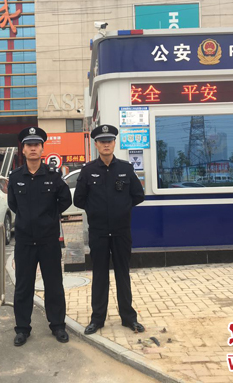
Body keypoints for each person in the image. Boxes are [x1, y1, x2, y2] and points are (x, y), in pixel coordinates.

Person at [73, 124, 145, 335]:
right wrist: (96, 211)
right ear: (96, 144)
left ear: (114, 143)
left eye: (109, 141)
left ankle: (129, 318)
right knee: (100, 276)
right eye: (102, 141)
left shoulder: (125, 169)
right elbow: (79, 199)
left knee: (123, 274)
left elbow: (138, 195)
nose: (106, 144)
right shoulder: (88, 171)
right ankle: (97, 319)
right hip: (99, 232)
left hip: (121, 231)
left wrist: (121, 209)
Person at [8, 126, 72, 346]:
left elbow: (65, 200)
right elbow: (13, 204)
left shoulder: (53, 176)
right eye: (29, 145)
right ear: (23, 150)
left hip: (48, 241)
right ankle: (22, 329)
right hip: (25, 241)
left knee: (54, 285)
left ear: (42, 149)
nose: (33, 148)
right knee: (23, 287)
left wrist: (49, 218)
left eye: (36, 145)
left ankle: (58, 326)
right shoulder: (16, 177)